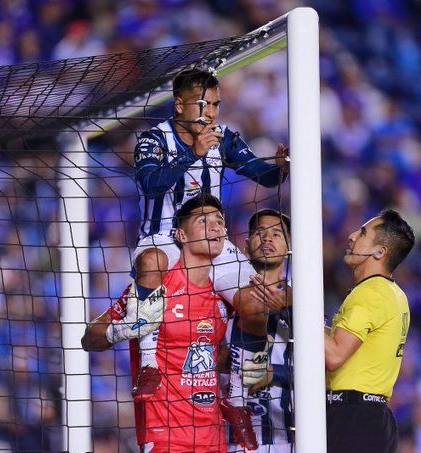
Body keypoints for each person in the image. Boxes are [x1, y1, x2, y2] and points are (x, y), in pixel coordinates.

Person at [86, 66, 288, 447]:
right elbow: (149, 182)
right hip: (163, 237)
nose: (210, 112)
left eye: (215, 104)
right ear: (179, 105)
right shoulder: (152, 140)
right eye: (202, 104)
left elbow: (261, 175)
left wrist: (279, 169)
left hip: (211, 241)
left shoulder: (223, 138)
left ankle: (238, 399)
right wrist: (192, 154)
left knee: (259, 302)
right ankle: (148, 366)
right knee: (150, 264)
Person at [82, 194, 231, 452]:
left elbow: (214, 357)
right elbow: (89, 338)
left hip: (214, 439)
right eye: (204, 220)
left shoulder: (224, 295)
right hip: (165, 437)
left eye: (219, 221)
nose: (215, 226)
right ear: (181, 236)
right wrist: (123, 330)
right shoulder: (154, 287)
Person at [325, 209, 415, 453]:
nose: (352, 236)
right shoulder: (394, 293)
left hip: (353, 418)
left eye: (363, 233)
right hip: (373, 418)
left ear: (379, 251)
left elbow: (334, 356)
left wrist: (298, 308)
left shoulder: (371, 293)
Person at [225, 209, 294, 452]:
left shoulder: (304, 304)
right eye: (260, 233)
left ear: (289, 248)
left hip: (286, 440)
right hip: (231, 442)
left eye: (277, 234)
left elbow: (325, 373)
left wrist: (275, 373)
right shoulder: (224, 300)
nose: (267, 239)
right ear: (245, 245)